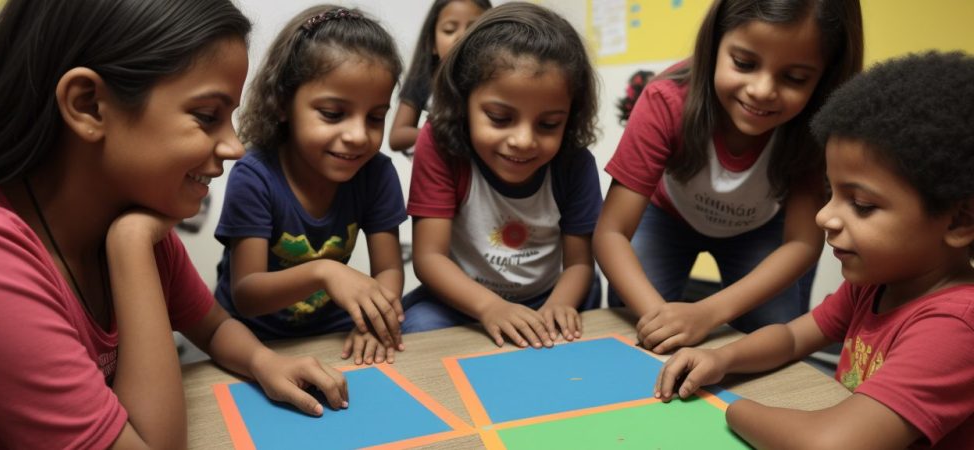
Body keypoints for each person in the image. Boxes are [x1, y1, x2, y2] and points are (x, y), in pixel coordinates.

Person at [0, 1, 350, 448]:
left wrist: (262, 361)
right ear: (88, 105)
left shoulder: (129, 208)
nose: (234, 147)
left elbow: (211, 326)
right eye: (208, 116)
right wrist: (130, 245)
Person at [655, 51, 974, 449]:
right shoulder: (876, 284)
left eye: (861, 204)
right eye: (830, 192)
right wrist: (723, 359)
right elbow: (791, 338)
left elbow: (828, 445)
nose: (824, 217)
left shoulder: (956, 327)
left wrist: (729, 408)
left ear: (959, 221)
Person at [594, 0, 864, 354]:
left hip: (760, 231)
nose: (762, 90)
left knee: (772, 337)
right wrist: (662, 321)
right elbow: (611, 233)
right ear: (715, 44)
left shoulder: (815, 125)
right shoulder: (666, 100)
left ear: (824, 77)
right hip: (666, 219)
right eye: (744, 64)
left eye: (795, 78)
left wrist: (707, 313)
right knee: (637, 328)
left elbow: (802, 244)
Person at [401, 2, 603, 349]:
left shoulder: (574, 163)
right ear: (463, 102)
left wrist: (559, 305)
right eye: (499, 117)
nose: (523, 141)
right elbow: (429, 258)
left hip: (545, 297)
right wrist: (490, 307)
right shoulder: (438, 146)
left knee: (589, 313)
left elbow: (580, 264)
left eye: (549, 124)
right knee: (418, 327)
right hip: (463, 303)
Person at [216, 5, 407, 366]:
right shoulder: (254, 176)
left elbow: (389, 270)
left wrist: (373, 322)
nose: (357, 135)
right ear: (283, 102)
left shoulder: (377, 174)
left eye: (376, 118)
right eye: (333, 114)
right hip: (252, 340)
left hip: (334, 333)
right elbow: (247, 293)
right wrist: (327, 271)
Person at [388, 0, 492, 156]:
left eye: (473, 30)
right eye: (449, 30)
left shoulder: (495, 82)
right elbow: (397, 137)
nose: (461, 37)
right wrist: (446, 133)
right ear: (433, 44)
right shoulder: (423, 78)